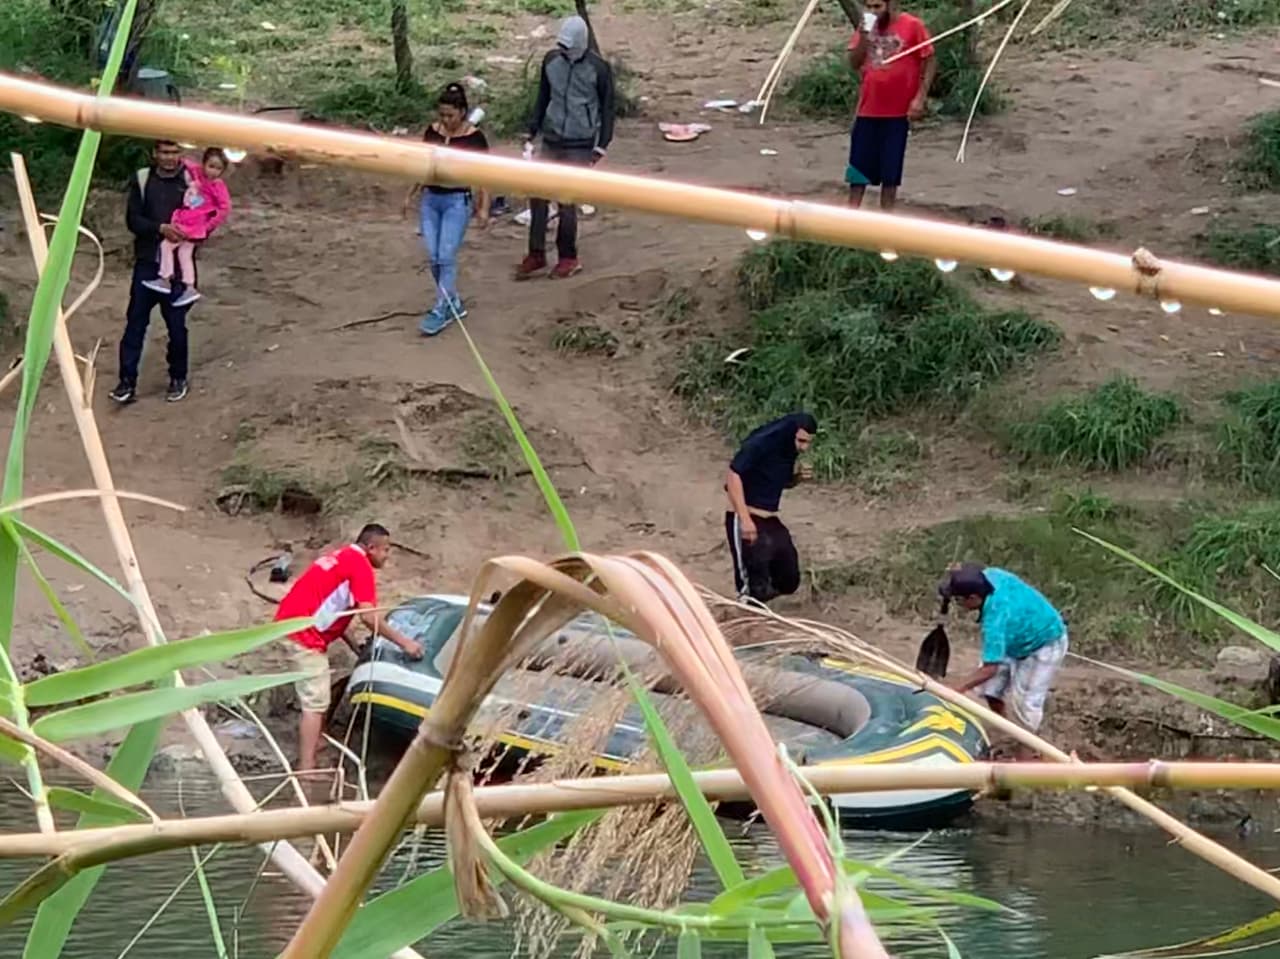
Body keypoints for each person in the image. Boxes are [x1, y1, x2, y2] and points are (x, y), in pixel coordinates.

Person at [274, 524, 424, 773]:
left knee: (320, 690)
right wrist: (405, 643)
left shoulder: (340, 557)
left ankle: (317, 741)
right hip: (303, 636)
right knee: (316, 703)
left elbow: (337, 611)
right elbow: (368, 616)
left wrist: (357, 648)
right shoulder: (361, 566)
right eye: (386, 550)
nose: (387, 556)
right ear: (371, 547)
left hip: (288, 625)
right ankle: (306, 770)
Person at [515, 15, 615, 281]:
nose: (564, 50)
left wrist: (602, 144)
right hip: (552, 137)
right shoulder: (551, 63)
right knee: (537, 195)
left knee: (567, 201)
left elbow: (607, 109)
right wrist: (532, 129)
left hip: (580, 143)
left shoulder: (599, 69)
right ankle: (536, 253)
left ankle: (568, 257)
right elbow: (543, 97)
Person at [110, 139, 201, 405]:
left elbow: (204, 215)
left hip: (178, 271)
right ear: (155, 153)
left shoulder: (191, 180)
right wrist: (160, 229)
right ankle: (126, 382)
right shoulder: (142, 179)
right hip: (147, 263)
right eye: (164, 152)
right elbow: (133, 220)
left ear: (181, 154)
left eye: (174, 152)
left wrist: (190, 234)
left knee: (176, 327)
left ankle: (178, 378)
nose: (169, 157)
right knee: (135, 324)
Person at [938, 563, 1068, 734]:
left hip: (1044, 641)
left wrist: (956, 688)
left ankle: (1026, 753)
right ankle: (1006, 731)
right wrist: (957, 571)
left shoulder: (994, 621)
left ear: (973, 597)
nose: (958, 604)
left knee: (1026, 707)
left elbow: (989, 669)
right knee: (990, 690)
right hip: (1015, 634)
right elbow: (977, 568)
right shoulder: (990, 575)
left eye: (959, 599)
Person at [407, 83, 491, 336]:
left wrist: (484, 207)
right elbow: (423, 166)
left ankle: (441, 308)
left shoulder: (474, 138)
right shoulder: (432, 132)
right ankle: (452, 299)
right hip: (431, 199)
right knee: (434, 257)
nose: (445, 121)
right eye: (441, 115)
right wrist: (410, 194)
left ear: (462, 112)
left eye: (450, 116)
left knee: (446, 256)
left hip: (457, 200)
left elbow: (484, 174)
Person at [845, 0, 936, 210]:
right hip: (868, 109)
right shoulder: (865, 28)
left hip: (897, 112)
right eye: (869, 7)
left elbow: (929, 59)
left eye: (878, 6)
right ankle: (849, 222)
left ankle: (886, 226)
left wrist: (920, 97)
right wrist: (865, 37)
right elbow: (854, 63)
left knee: (890, 172)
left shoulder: (912, 26)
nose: (873, 11)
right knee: (858, 170)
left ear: (890, 5)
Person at [724, 413, 818, 605]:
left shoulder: (787, 449)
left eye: (808, 442)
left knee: (789, 577)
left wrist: (797, 478)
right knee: (751, 586)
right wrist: (745, 519)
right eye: (801, 441)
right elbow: (733, 475)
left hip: (770, 519)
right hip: (746, 514)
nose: (804, 447)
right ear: (791, 432)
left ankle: (760, 601)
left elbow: (775, 482)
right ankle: (748, 613)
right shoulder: (762, 442)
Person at [142, 147, 232, 307]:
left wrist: (209, 225)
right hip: (188, 219)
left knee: (166, 246)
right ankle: (189, 286)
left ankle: (165, 278)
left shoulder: (218, 186)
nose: (213, 172)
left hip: (193, 224)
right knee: (184, 254)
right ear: (204, 164)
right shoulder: (197, 172)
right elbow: (187, 163)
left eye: (218, 169)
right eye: (211, 166)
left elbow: (225, 208)